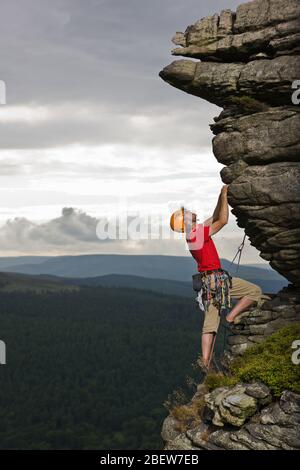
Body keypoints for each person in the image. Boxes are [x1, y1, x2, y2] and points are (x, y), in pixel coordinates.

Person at [170, 185, 265, 369]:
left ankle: (205, 363)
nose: (190, 212)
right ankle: (231, 317)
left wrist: (222, 197)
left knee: (210, 324)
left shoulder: (193, 233)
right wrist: (224, 197)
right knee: (254, 291)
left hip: (208, 284)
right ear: (185, 221)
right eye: (187, 213)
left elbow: (214, 216)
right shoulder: (196, 233)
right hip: (217, 280)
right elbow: (222, 220)